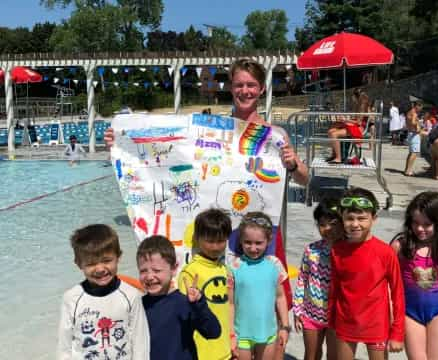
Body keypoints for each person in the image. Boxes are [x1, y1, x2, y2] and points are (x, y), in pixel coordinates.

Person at [104, 58, 308, 186]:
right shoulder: (211, 131)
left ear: (262, 89)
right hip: (220, 229)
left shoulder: (275, 135)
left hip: (261, 233)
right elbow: (171, 153)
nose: (245, 91)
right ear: (230, 88)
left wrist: (292, 166)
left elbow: (305, 180)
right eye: (239, 85)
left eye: (251, 85)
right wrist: (122, 142)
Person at [328, 187, 405, 360]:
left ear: (374, 219)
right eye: (349, 218)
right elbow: (334, 289)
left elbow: (397, 293)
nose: (355, 224)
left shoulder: (385, 252)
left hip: (376, 325)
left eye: (362, 218)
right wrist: (331, 321)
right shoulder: (337, 250)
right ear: (342, 218)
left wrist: (397, 332)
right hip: (345, 322)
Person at [390, 192, 438, 359]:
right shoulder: (401, 247)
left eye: (427, 224)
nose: (420, 228)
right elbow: (387, 283)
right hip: (409, 313)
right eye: (416, 223)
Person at [56, 224, 150, 360]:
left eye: (106, 260)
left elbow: (140, 342)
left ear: (118, 257)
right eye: (91, 263)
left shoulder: (131, 296)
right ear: (78, 263)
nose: (100, 268)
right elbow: (64, 347)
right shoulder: (71, 298)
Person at [138, 235, 221, 360]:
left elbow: (213, 332)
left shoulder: (185, 304)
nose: (149, 276)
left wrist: (199, 304)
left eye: (156, 270)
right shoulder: (139, 305)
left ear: (174, 269)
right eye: (143, 271)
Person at [227, 212, 290, 360]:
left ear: (268, 240)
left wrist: (285, 327)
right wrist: (231, 335)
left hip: (268, 333)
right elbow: (230, 304)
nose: (253, 248)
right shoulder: (234, 267)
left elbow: (280, 298)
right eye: (248, 242)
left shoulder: (274, 264)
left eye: (258, 243)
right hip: (241, 335)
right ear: (241, 240)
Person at [178, 208, 233, 360]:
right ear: (197, 238)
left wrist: (232, 338)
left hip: (225, 349)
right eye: (210, 241)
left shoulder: (224, 269)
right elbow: (185, 315)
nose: (215, 247)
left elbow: (229, 307)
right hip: (201, 352)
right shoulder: (190, 273)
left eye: (221, 241)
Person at [293, 199, 343, 360]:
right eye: (322, 224)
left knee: (334, 356)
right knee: (311, 355)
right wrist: (297, 309)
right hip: (310, 315)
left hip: (337, 317)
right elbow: (302, 278)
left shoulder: (349, 252)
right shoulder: (312, 250)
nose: (328, 229)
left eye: (333, 223)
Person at [326, 88, 369, 164]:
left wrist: (345, 120)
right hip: (356, 126)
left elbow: (358, 122)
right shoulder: (359, 105)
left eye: (353, 96)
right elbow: (356, 119)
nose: (352, 98)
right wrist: (345, 119)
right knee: (330, 131)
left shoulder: (362, 106)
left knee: (334, 134)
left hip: (359, 128)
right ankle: (334, 154)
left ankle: (338, 158)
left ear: (356, 97)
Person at [404, 101, 423, 176]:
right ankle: (408, 171)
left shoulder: (409, 112)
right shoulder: (414, 113)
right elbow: (413, 122)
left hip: (410, 133)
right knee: (414, 153)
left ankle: (407, 169)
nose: (421, 109)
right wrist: (418, 124)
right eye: (420, 107)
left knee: (411, 153)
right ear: (417, 106)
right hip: (414, 134)